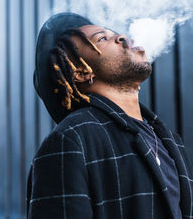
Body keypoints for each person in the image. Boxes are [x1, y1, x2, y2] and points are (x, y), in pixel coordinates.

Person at [27, 12, 193, 219]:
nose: (122, 37)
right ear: (81, 72)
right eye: (102, 38)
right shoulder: (71, 139)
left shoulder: (167, 138)